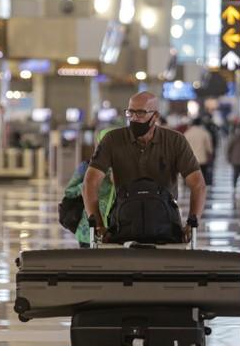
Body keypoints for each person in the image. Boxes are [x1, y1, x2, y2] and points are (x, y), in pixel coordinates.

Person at [82, 92, 206, 243]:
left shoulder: (175, 141)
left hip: (165, 224)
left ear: (156, 116)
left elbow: (197, 184)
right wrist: (98, 225)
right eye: (130, 112)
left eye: (140, 113)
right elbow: (90, 182)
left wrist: (192, 223)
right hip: (124, 223)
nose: (134, 118)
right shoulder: (112, 140)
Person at [64, 128, 116, 248]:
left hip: (114, 227)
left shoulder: (125, 167)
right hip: (88, 229)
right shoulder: (86, 167)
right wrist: (89, 185)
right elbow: (69, 192)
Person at [184, 117, 215, 186]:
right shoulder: (205, 133)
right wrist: (210, 157)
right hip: (202, 159)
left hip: (190, 160)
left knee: (191, 177)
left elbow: (183, 148)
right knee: (202, 178)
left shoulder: (187, 133)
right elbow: (209, 148)